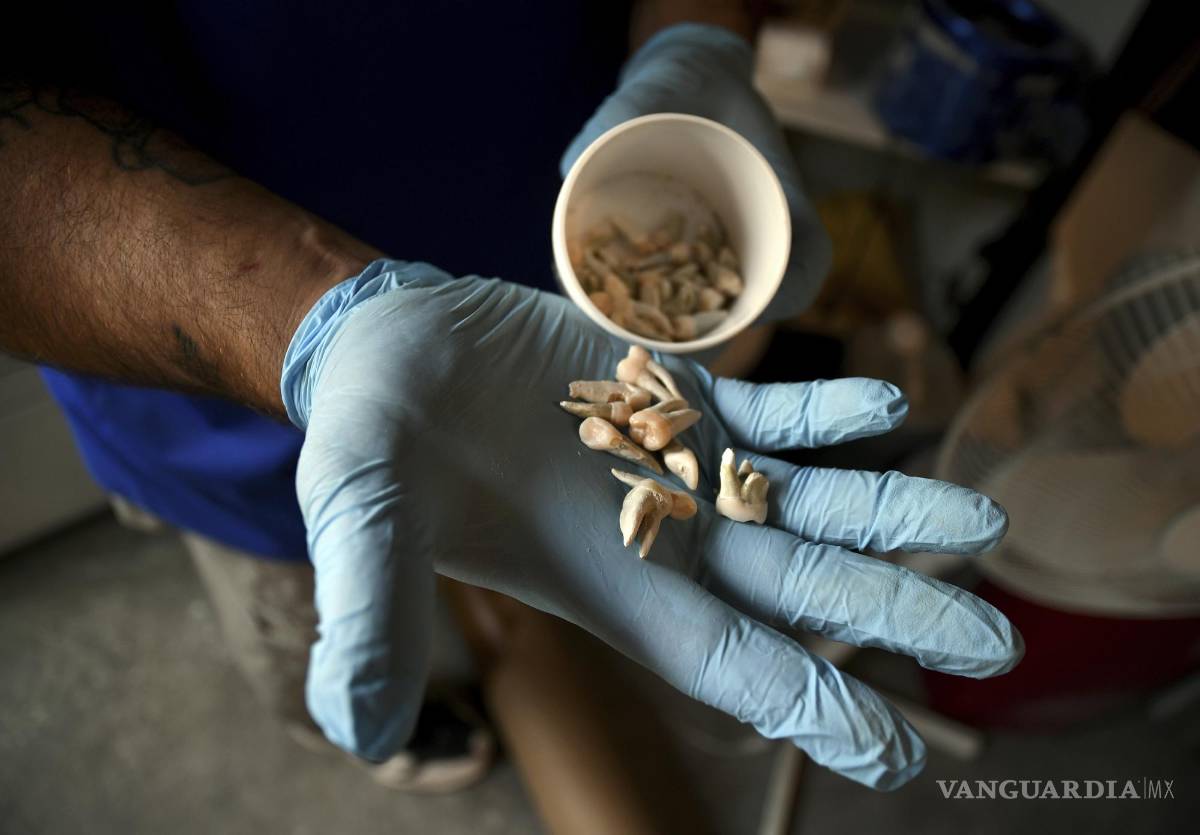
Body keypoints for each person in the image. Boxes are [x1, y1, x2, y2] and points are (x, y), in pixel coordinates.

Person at [0, 1, 1022, 793]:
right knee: (317, 610)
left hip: (547, 269)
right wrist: (319, 319)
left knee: (541, 539)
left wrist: (694, 33)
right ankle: (376, 722)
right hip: (205, 357)